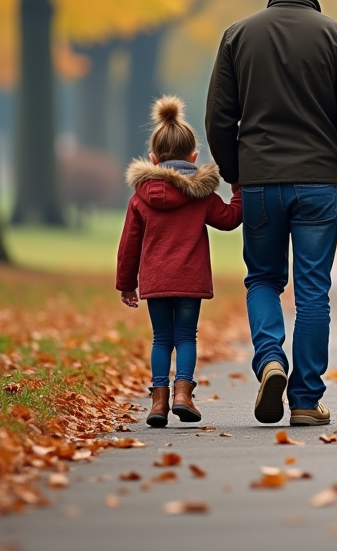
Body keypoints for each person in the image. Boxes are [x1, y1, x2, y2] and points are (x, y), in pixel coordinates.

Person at [206, 0, 337, 426]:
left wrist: (233, 173)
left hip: (259, 179)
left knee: (263, 278)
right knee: (312, 290)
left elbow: (219, 116)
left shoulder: (237, 36)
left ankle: (270, 360)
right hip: (319, 182)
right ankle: (305, 400)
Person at [116, 96, 244, 427]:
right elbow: (229, 219)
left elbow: (129, 244)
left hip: (156, 281)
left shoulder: (139, 198)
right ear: (193, 157)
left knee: (161, 338)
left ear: (153, 158)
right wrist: (239, 192)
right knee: (186, 336)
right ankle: (183, 395)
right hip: (190, 280)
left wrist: (126, 284)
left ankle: (158, 403)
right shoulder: (200, 194)